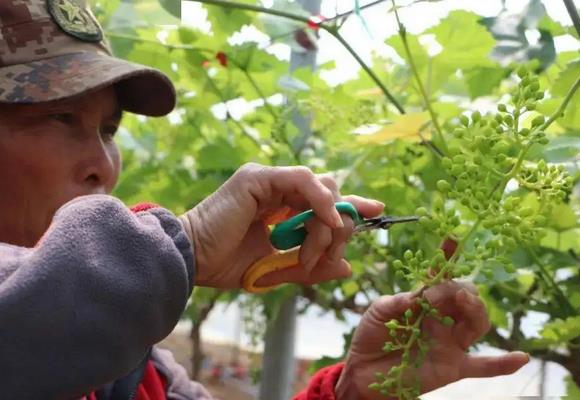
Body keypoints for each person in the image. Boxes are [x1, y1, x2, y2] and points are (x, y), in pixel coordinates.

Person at [0, 1, 529, 399]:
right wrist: (185, 245)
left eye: (109, 129)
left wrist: (351, 392)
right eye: (59, 117)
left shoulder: (134, 370)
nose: (103, 163)